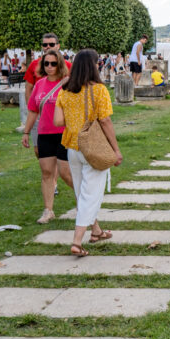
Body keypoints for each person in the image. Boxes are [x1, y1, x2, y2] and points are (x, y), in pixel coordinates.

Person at [53, 49, 122, 256]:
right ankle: (76, 241)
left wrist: (74, 118)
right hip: (93, 148)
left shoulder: (65, 90)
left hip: (73, 147)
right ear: (93, 66)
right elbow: (105, 120)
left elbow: (58, 121)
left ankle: (96, 231)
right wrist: (116, 149)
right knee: (90, 195)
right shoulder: (98, 90)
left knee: (82, 193)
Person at [22, 49, 72, 224]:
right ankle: (48, 210)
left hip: (64, 134)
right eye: (46, 63)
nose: (49, 67)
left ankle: (86, 201)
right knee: (47, 172)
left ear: (60, 64)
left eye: (53, 63)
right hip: (44, 134)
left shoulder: (67, 84)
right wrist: (27, 132)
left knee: (66, 173)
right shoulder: (40, 84)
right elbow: (33, 110)